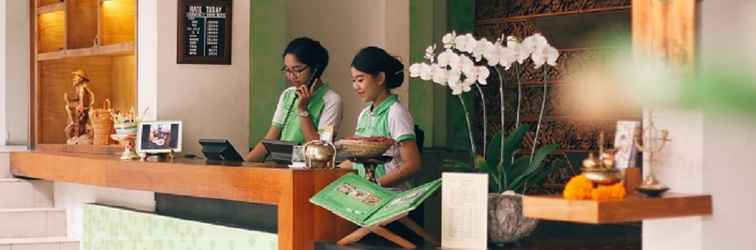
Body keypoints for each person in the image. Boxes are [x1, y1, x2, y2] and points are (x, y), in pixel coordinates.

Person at [245, 37, 342, 162]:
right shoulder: (288, 95)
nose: (291, 76)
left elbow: (320, 151)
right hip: (283, 166)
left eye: (297, 70)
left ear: (316, 69)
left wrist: (303, 110)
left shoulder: (332, 100)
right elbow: (271, 138)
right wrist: (243, 164)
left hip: (310, 171)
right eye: (287, 70)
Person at [338, 47, 421, 191]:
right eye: (353, 80)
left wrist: (376, 185)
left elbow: (412, 164)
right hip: (367, 194)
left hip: (389, 198)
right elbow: (358, 160)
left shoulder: (395, 112)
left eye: (360, 79)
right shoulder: (365, 114)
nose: (355, 86)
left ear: (380, 78)